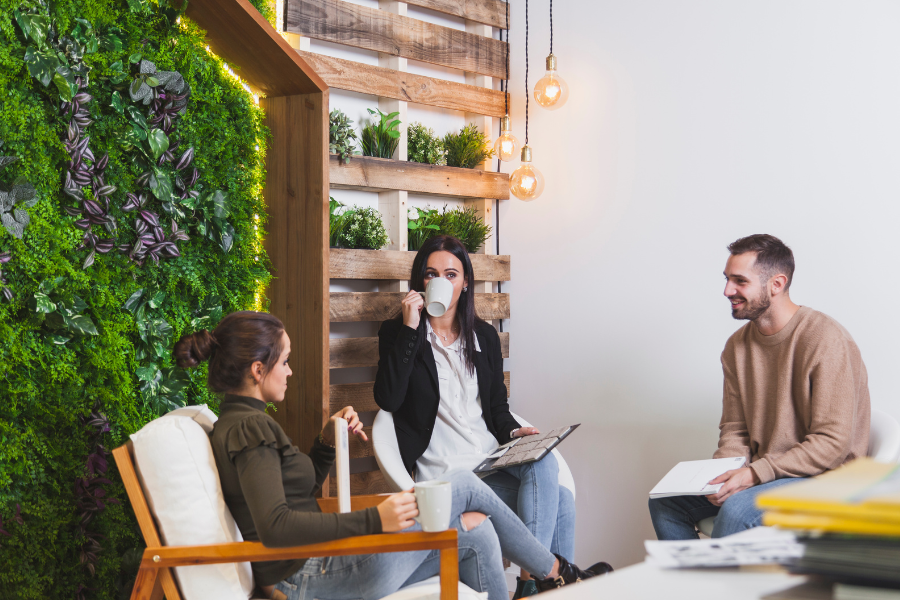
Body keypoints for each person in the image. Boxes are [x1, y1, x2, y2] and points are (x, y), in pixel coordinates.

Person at [174, 311, 606, 600]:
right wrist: (375, 519)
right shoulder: (248, 428)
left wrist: (326, 444)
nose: (289, 370)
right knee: (463, 486)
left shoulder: (246, 423)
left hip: (327, 563)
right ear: (257, 369)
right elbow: (277, 526)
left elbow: (295, 494)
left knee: (476, 537)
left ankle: (551, 576)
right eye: (285, 361)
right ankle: (555, 573)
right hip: (312, 577)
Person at [373, 235, 600, 598]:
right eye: (432, 274)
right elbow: (388, 398)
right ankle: (543, 581)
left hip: (489, 467)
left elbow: (497, 408)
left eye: (451, 274)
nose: (441, 282)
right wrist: (410, 330)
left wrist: (515, 432)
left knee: (548, 474)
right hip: (447, 478)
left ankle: (530, 581)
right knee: (561, 503)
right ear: (420, 283)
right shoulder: (399, 333)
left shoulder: (484, 337)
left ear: (465, 284)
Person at [648, 234, 871, 540]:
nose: (727, 291)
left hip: (826, 477)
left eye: (740, 281)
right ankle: (693, 584)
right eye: (727, 279)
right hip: (767, 472)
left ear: (776, 284)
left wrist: (754, 474)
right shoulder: (737, 346)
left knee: (737, 511)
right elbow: (735, 428)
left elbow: (831, 445)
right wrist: (723, 475)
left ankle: (723, 587)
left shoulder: (826, 340)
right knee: (666, 503)